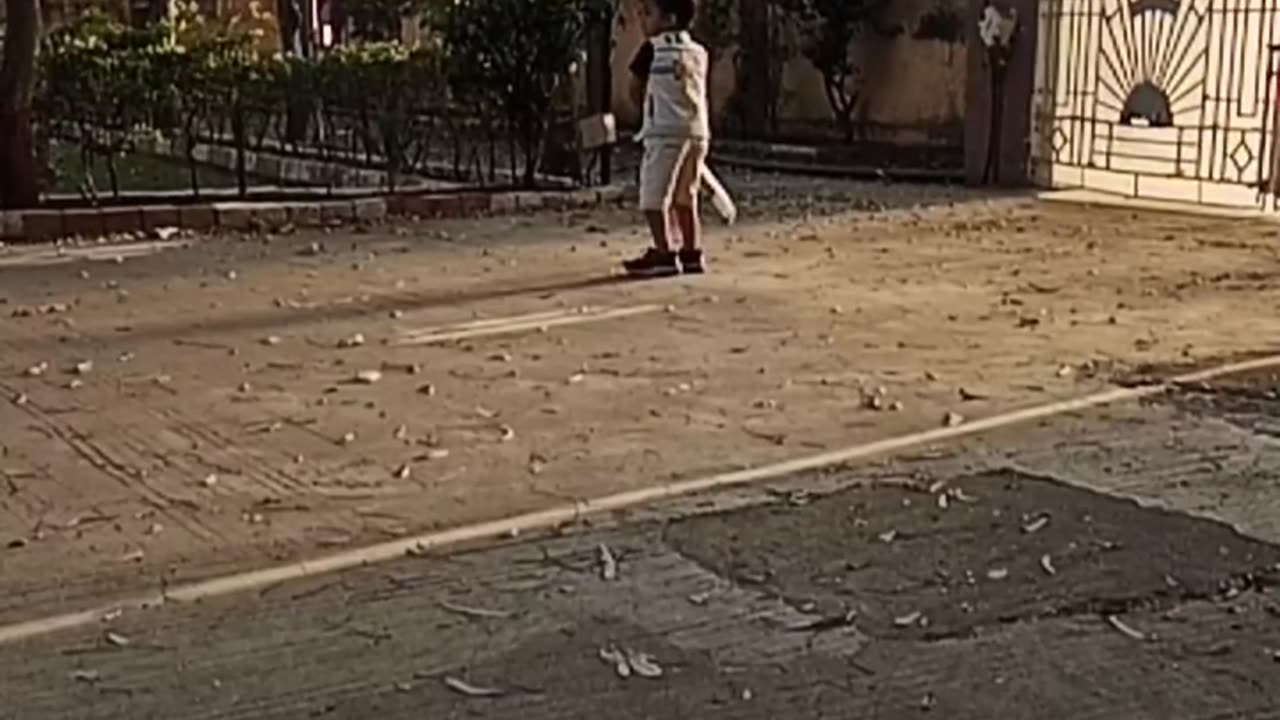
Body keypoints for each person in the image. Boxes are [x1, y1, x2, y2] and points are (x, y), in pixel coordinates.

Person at [624, 0, 710, 277]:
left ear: (669, 18)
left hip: (663, 132)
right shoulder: (698, 52)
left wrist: (647, 111)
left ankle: (664, 252)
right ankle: (692, 251)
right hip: (697, 131)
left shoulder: (652, 49)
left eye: (648, 13)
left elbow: (633, 88)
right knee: (686, 195)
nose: (642, 20)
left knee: (653, 198)